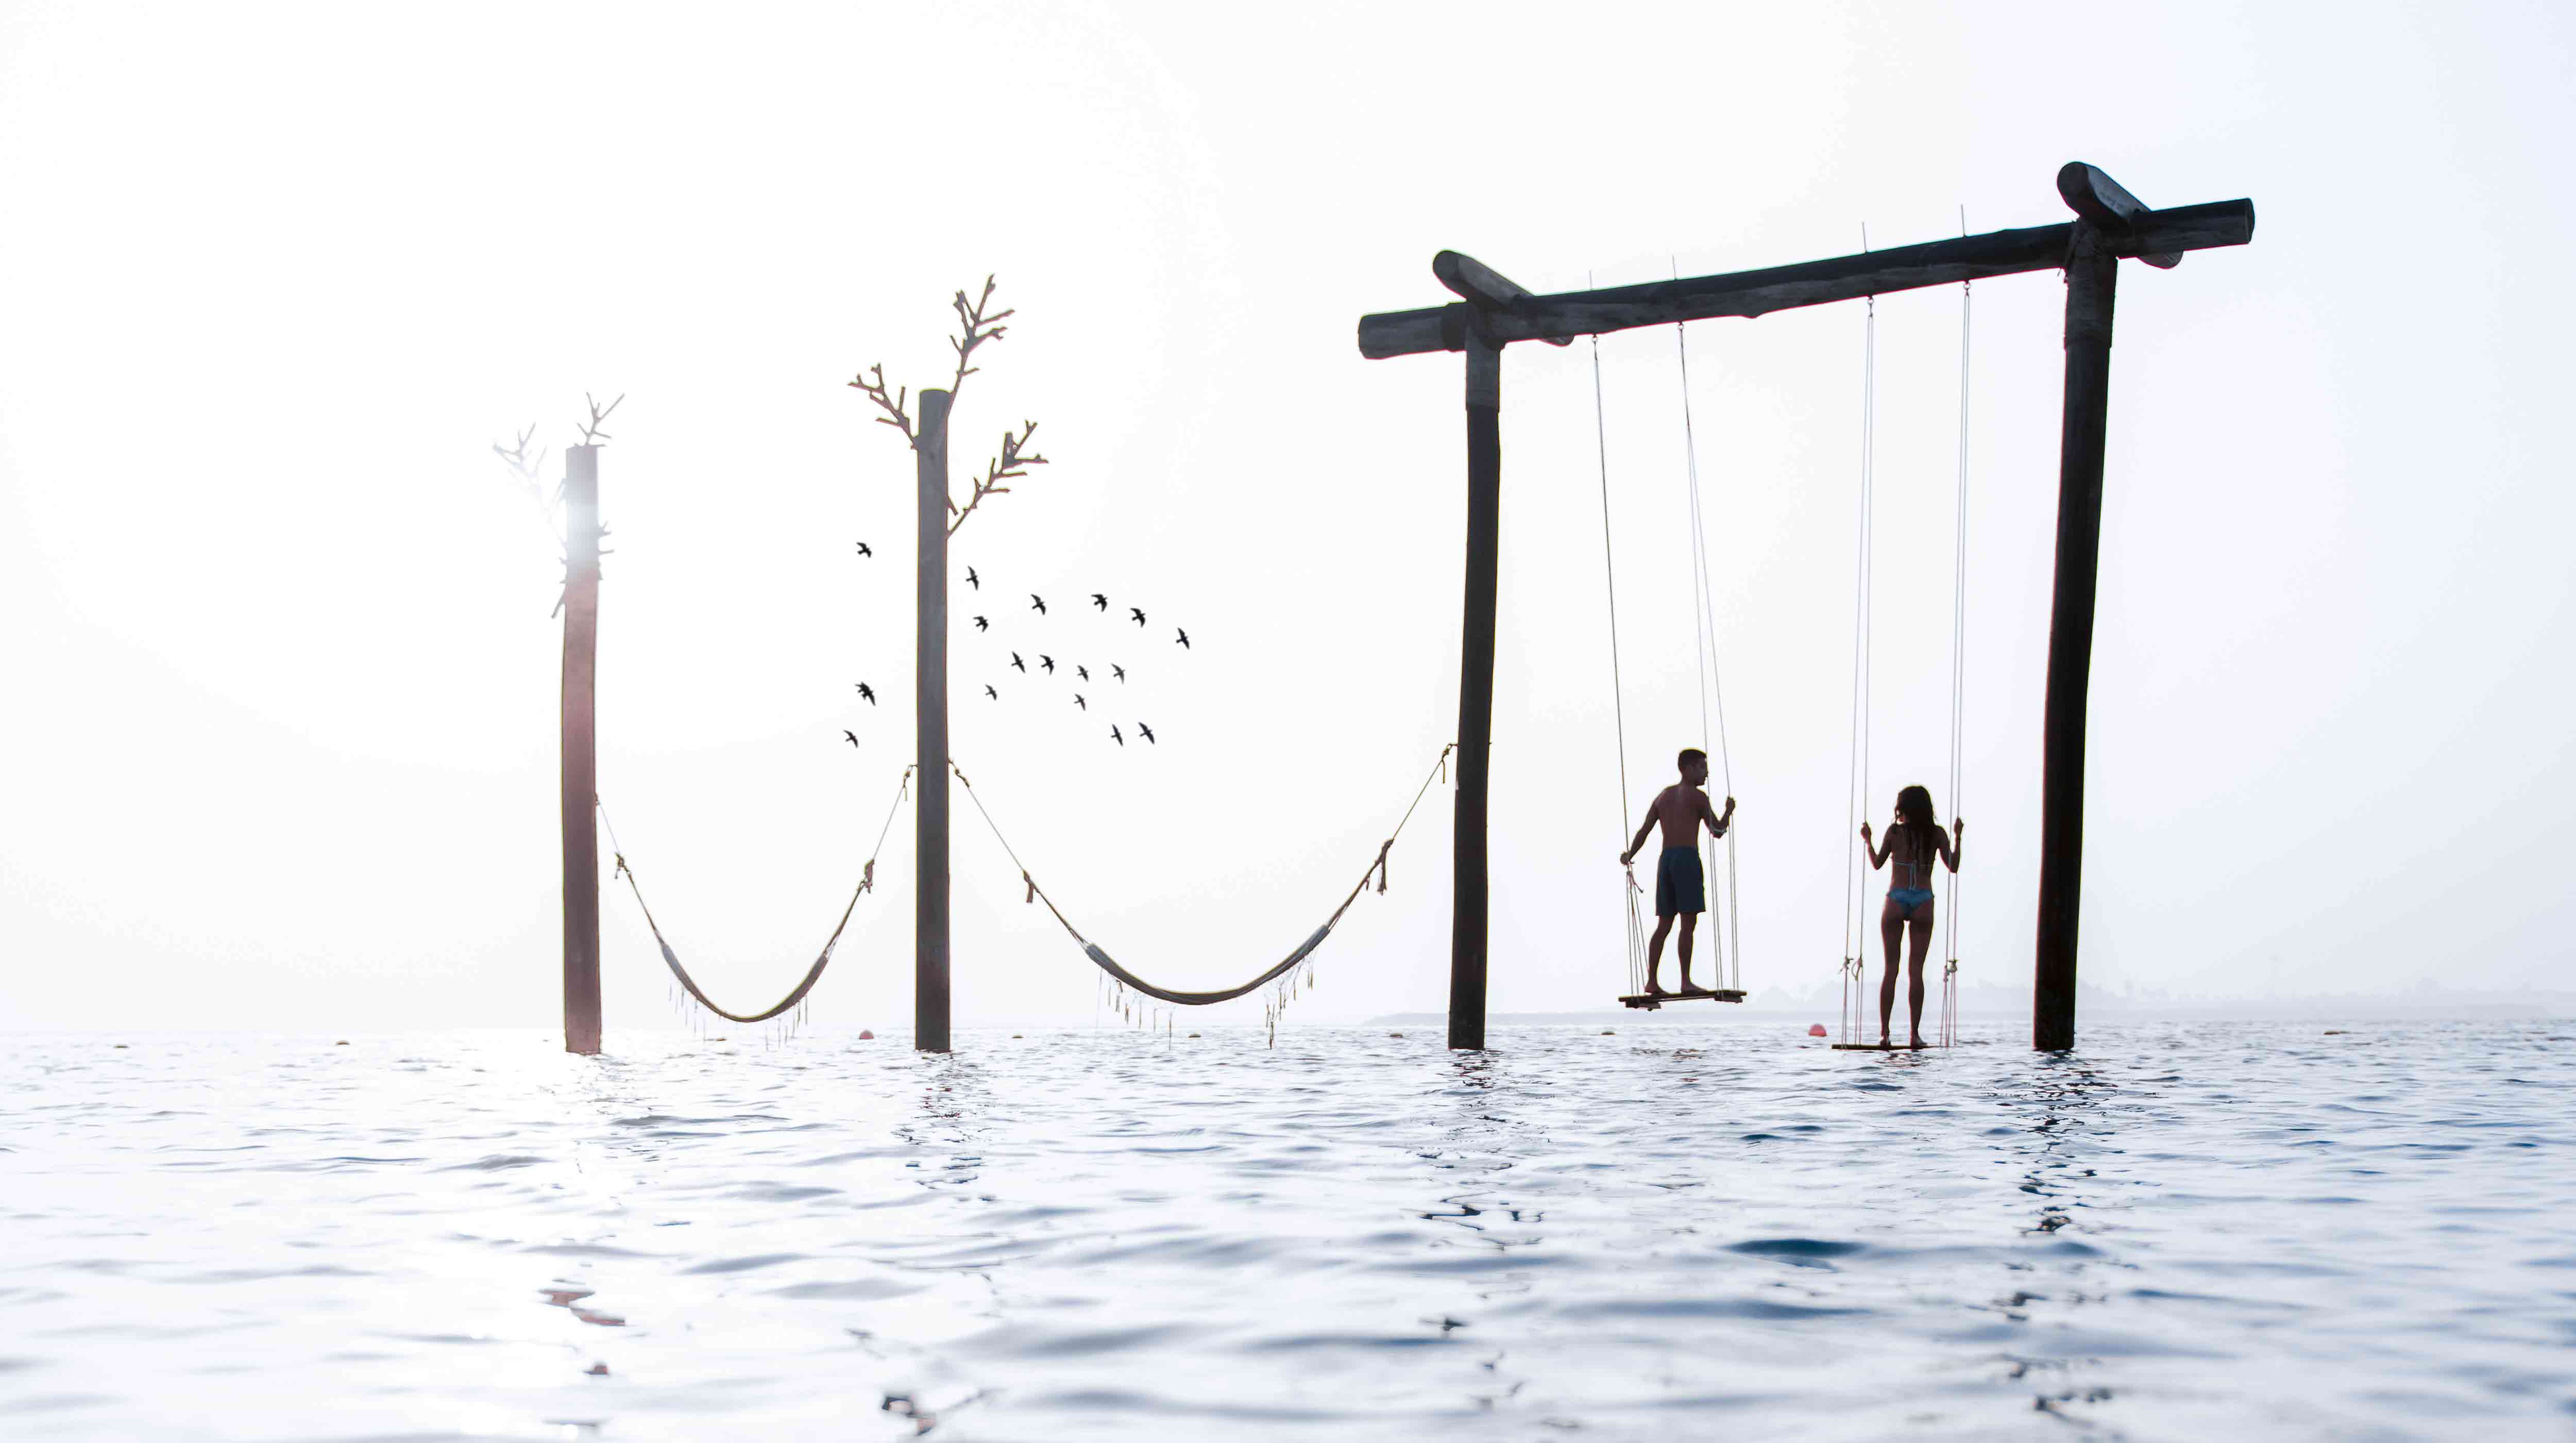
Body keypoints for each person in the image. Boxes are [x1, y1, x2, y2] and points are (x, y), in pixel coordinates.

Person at [1619, 748, 1737, 996]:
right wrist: (1728, 811)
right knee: (1688, 922)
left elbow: (1645, 830)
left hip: (1666, 862)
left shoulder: (1663, 797)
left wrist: (1630, 854)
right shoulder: (1698, 797)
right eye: (1703, 767)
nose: (1707, 773)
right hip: (1686, 859)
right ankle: (1685, 981)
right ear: (1689, 769)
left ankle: (1652, 981)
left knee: (1664, 924)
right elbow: (1717, 831)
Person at [1859, 784, 1963, 1048]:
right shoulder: (1937, 834)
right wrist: (1958, 836)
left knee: (1890, 971)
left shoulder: (1895, 832)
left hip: (1896, 898)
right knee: (1916, 972)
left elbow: (1877, 863)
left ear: (1902, 808)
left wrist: (1867, 840)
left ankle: (1884, 1034)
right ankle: (1914, 1035)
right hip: (1923, 900)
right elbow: (1953, 866)